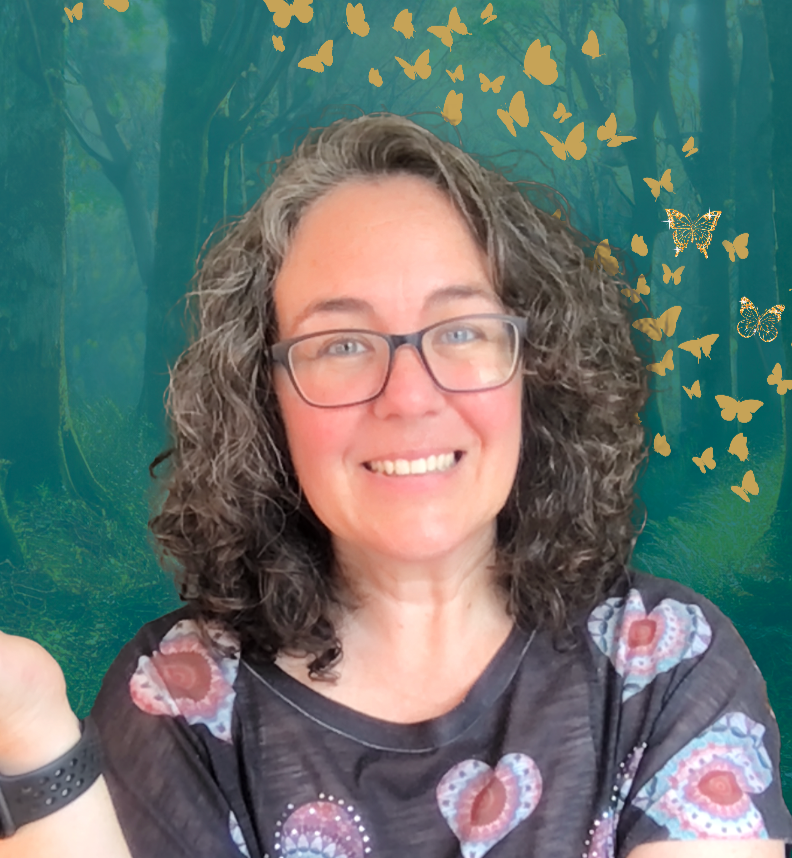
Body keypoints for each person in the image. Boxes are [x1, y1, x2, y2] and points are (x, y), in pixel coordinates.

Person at [0, 112, 790, 858]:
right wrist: (32, 736)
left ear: (538, 371)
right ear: (264, 402)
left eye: (462, 331)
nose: (409, 396)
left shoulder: (668, 666)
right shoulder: (177, 696)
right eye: (342, 344)